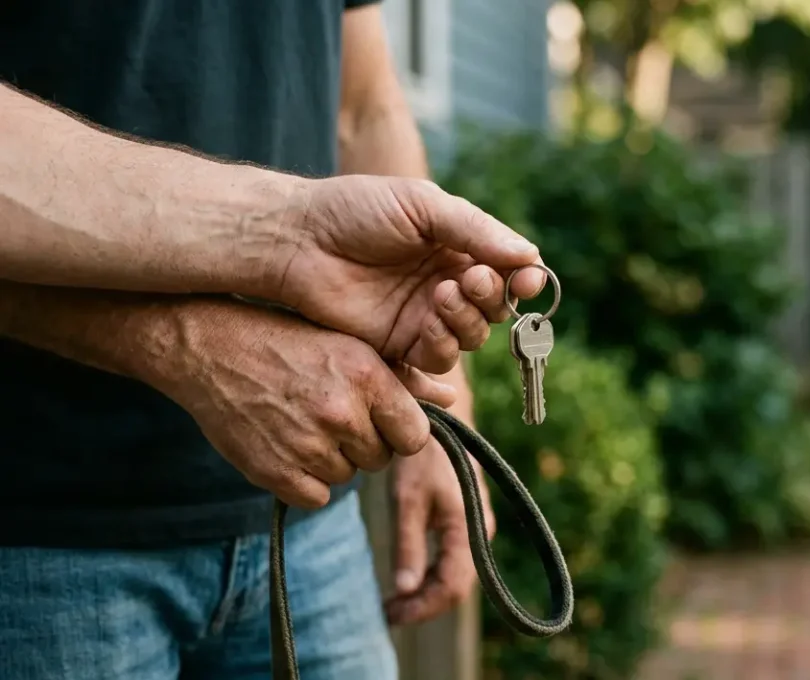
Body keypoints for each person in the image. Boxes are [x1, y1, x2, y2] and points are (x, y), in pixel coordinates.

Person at [0, 2, 520, 678]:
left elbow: (364, 107)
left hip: (310, 529)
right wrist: (188, 340)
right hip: (38, 536)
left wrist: (442, 406)